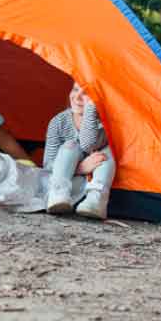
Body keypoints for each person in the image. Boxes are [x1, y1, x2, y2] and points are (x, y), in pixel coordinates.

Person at [44, 82, 116, 219]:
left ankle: (96, 200)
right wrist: (80, 169)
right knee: (70, 146)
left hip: (96, 181)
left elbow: (87, 144)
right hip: (70, 183)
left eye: (86, 93)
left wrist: (90, 110)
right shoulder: (59, 122)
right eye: (75, 90)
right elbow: (48, 166)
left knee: (107, 152)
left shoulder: (106, 123)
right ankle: (58, 195)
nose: (77, 97)